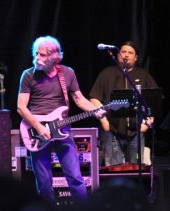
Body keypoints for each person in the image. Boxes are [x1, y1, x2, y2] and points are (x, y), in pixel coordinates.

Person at [17, 35, 105, 205]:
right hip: (36, 132)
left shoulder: (67, 73)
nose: (37, 58)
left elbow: (79, 100)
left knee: (76, 178)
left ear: (54, 57)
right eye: (36, 54)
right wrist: (38, 127)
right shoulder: (27, 75)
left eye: (42, 55)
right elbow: (21, 106)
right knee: (44, 183)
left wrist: (96, 110)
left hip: (62, 130)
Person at [89, 41, 158, 166]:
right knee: (114, 169)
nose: (126, 55)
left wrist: (147, 123)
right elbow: (94, 98)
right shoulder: (107, 73)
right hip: (112, 131)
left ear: (136, 58)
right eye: (123, 52)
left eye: (130, 53)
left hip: (136, 131)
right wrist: (103, 120)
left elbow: (154, 100)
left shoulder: (143, 74)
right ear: (118, 55)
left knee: (136, 169)